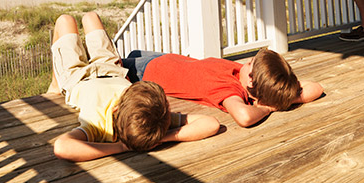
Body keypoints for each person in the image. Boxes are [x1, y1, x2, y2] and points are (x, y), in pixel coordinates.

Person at [47, 12, 220, 162]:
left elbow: (62, 147)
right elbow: (211, 123)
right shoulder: (151, 115)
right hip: (112, 70)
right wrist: (165, 137)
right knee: (91, 17)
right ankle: (56, 82)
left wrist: (121, 147)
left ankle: (56, 84)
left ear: (115, 109)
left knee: (65, 20)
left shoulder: (99, 123)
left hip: (78, 77)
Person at [122, 48, 323, 128]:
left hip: (146, 72)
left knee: (104, 64)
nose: (246, 62)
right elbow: (316, 87)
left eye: (249, 63)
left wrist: (268, 107)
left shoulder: (229, 90)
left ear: (252, 81)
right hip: (168, 59)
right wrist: (282, 98)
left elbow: (244, 117)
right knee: (132, 51)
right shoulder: (248, 79)